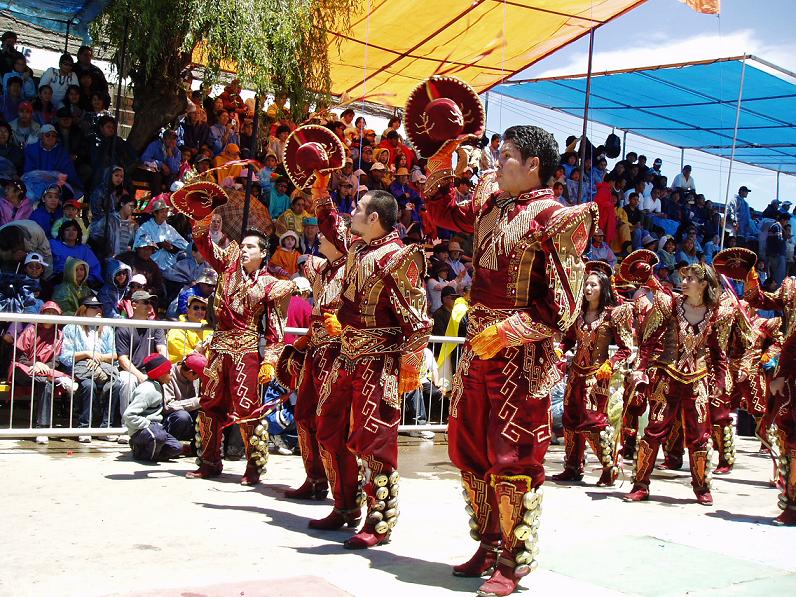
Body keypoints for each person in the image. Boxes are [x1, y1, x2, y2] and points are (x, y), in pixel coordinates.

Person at [423, 116, 596, 593]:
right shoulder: (488, 205)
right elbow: (439, 211)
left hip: (519, 357)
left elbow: (561, 307)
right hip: (478, 349)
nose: (496, 164)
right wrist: (442, 160)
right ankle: (488, 539)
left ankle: (515, 557)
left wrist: (506, 333)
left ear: (534, 164)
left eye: (506, 157)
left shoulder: (558, 218)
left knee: (514, 453)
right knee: (469, 446)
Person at [314, 186, 430, 549]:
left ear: (374, 218)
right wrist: (321, 193)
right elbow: (333, 227)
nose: (352, 212)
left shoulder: (400, 257)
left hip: (378, 364)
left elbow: (419, 320)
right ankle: (345, 504)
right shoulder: (357, 249)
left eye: (358, 208)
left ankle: (379, 521)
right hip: (347, 356)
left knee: (374, 443)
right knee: (327, 427)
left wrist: (409, 367)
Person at [177, 182, 310, 486]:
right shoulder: (227, 267)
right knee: (209, 406)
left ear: (263, 254)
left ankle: (254, 466)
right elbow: (205, 245)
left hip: (247, 351)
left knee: (248, 410)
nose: (245, 248)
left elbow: (275, 331)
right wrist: (200, 216)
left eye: (252, 246)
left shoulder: (271, 286)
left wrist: (270, 361)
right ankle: (209, 461)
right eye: (244, 244)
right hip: (219, 349)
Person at [625, 264, 727, 506]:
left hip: (698, 379)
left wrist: (721, 381)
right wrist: (640, 368)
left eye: (691, 278)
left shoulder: (715, 312)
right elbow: (649, 341)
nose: (685, 281)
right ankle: (640, 485)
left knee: (699, 436)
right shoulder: (671, 305)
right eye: (684, 278)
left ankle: (702, 487)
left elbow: (718, 351)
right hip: (667, 377)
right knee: (654, 430)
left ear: (703, 285)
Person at [282, 224, 352, 523]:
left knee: (332, 426)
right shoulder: (322, 270)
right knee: (304, 416)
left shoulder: (353, 270)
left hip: (339, 355)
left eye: (327, 233)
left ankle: (345, 499)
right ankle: (315, 480)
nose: (320, 236)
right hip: (316, 352)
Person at [552, 262, 632, 486]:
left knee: (593, 423)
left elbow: (626, 349)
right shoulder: (578, 313)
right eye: (586, 284)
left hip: (597, 377)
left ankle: (609, 467)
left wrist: (611, 364)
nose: (588, 288)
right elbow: (568, 340)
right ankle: (572, 467)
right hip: (575, 374)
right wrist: (560, 350)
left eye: (593, 285)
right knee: (570, 420)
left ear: (603, 288)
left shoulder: (613, 315)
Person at [743, 262, 796, 525]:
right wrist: (748, 273)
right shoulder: (791, 288)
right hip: (790, 375)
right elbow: (756, 298)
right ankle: (792, 502)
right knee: (788, 434)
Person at [9, 301, 77, 444]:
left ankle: (42, 428)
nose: (51, 316)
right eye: (48, 312)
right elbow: (20, 356)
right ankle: (60, 379)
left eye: (54, 313)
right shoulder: (31, 329)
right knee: (44, 380)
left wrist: (44, 366)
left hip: (44, 372)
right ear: (42, 314)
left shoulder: (59, 334)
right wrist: (35, 364)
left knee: (46, 383)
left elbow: (56, 360)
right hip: (24, 369)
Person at [59, 296, 118, 443]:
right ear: (84, 310)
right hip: (81, 369)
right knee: (87, 385)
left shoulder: (107, 328)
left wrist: (98, 358)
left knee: (115, 384)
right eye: (94, 307)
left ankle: (106, 428)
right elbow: (65, 356)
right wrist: (87, 354)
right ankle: (84, 427)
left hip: (103, 368)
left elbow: (115, 354)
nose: (99, 310)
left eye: (100, 307)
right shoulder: (72, 327)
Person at [115, 290, 169, 424]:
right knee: (128, 381)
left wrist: (163, 369)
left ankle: (159, 426)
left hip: (151, 371)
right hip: (130, 371)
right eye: (145, 302)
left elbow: (162, 349)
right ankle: (127, 426)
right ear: (134, 304)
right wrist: (140, 376)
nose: (149, 305)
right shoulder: (124, 327)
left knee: (169, 376)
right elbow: (123, 359)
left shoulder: (155, 325)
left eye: (150, 302)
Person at [123, 354, 186, 462]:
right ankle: (141, 451)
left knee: (177, 448)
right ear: (160, 374)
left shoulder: (158, 385)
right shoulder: (147, 390)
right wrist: (147, 424)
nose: (171, 374)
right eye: (168, 372)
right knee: (159, 437)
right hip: (141, 429)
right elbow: (128, 415)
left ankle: (149, 451)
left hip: (156, 427)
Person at [162, 352, 206, 444]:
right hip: (171, 418)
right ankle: (169, 445)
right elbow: (168, 406)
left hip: (190, 416)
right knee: (182, 416)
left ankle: (198, 446)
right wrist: (198, 401)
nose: (199, 378)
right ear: (190, 373)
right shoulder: (168, 375)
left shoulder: (193, 375)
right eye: (198, 376)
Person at [134, 198, 189, 272]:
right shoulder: (145, 227)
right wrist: (159, 245)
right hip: (148, 266)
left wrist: (171, 248)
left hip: (168, 267)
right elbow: (138, 246)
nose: (164, 214)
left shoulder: (170, 229)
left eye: (166, 212)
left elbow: (184, 245)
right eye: (162, 212)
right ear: (155, 213)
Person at [23, 125, 82, 191]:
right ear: (41, 137)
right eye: (47, 135)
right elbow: (29, 173)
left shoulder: (61, 152)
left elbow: (69, 172)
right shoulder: (32, 150)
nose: (51, 137)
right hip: (36, 185)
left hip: (57, 186)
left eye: (53, 136)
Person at [49, 220, 102, 286]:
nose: (71, 232)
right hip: (57, 283)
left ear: (78, 233)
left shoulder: (84, 249)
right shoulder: (53, 244)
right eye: (67, 230)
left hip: (80, 284)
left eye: (74, 230)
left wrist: (87, 280)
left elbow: (95, 267)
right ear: (62, 232)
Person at [166, 294, 212, 363]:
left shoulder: (208, 328)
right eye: (196, 308)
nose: (200, 311)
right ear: (187, 309)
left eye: (203, 308)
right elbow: (187, 358)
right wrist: (197, 350)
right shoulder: (176, 332)